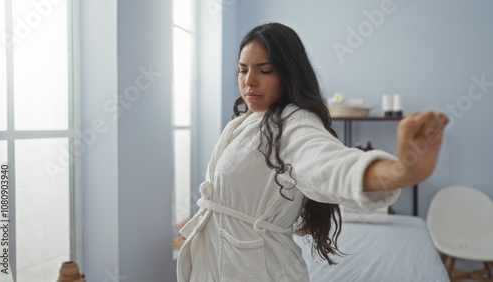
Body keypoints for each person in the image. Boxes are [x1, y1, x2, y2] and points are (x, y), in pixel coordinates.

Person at [177, 22, 448, 281]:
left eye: (265, 70)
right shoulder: (246, 121)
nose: (249, 81)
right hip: (219, 262)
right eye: (242, 69)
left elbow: (327, 164)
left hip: (258, 270)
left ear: (288, 73)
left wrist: (401, 171)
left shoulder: (294, 123)